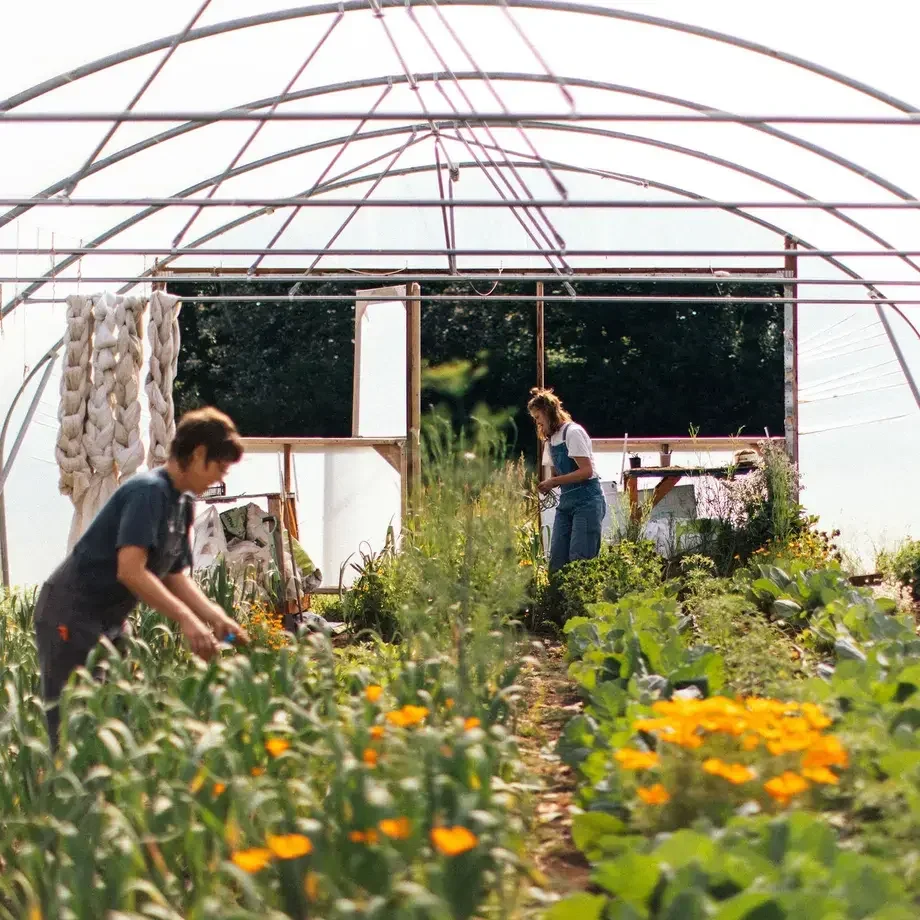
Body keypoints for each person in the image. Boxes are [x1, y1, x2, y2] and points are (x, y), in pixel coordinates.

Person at [34, 406, 250, 749]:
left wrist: (216, 617)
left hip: (108, 620)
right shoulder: (148, 492)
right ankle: (62, 800)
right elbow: (131, 570)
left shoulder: (182, 504)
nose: (218, 479)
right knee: (74, 730)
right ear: (197, 455)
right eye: (219, 468)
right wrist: (187, 620)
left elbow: (175, 575)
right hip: (71, 613)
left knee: (115, 722)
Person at [528, 387, 607, 572]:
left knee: (580, 560)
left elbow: (586, 471)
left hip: (587, 500)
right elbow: (555, 475)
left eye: (538, 417)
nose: (537, 423)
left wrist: (553, 482)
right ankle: (556, 600)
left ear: (548, 412)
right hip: (566, 502)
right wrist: (545, 485)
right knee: (557, 561)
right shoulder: (550, 439)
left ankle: (582, 601)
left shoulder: (572, 432)